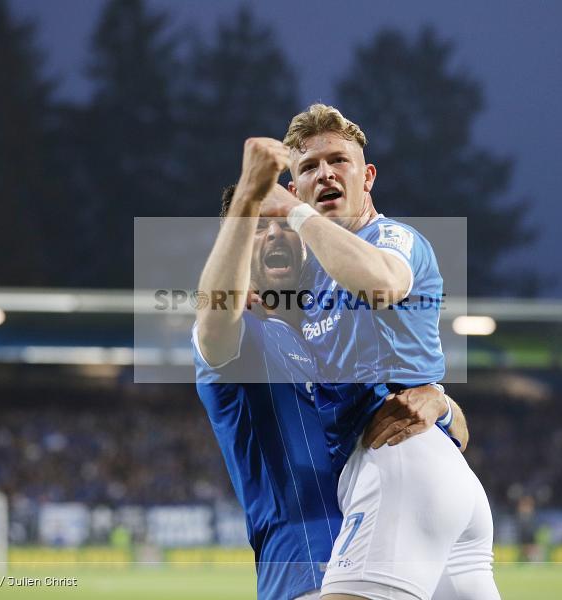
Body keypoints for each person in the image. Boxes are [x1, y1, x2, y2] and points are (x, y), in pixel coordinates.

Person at [193, 137, 466, 600]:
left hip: (386, 544)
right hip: (304, 564)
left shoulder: (334, 331)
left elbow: (457, 435)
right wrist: (247, 194)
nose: (275, 234)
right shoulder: (244, 340)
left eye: (282, 223)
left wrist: (437, 400)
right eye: (256, 228)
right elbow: (213, 321)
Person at [258, 104, 500, 600]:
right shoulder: (314, 284)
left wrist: (296, 215)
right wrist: (443, 401)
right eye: (307, 167)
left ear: (366, 177)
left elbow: (385, 282)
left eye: (337, 161)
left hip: (397, 467)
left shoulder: (390, 238)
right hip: (428, 474)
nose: (324, 173)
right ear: (293, 184)